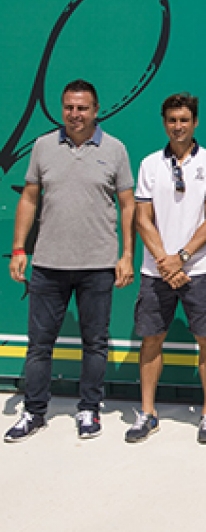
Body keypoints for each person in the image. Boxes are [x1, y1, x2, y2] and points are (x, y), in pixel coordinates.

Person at [5, 79, 135, 442]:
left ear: (96, 110)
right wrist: (19, 249)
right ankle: (34, 412)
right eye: (69, 107)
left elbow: (128, 206)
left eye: (82, 108)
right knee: (38, 344)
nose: (75, 114)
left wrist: (126, 255)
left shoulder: (116, 150)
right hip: (48, 265)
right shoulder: (44, 146)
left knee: (95, 343)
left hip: (97, 265)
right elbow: (29, 199)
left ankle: (89, 409)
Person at [125, 93, 206, 445]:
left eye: (184, 119)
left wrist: (180, 257)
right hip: (157, 272)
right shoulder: (150, 163)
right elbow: (142, 218)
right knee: (151, 339)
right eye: (172, 120)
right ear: (164, 123)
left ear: (195, 122)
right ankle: (148, 413)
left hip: (197, 269)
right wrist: (165, 262)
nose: (178, 126)